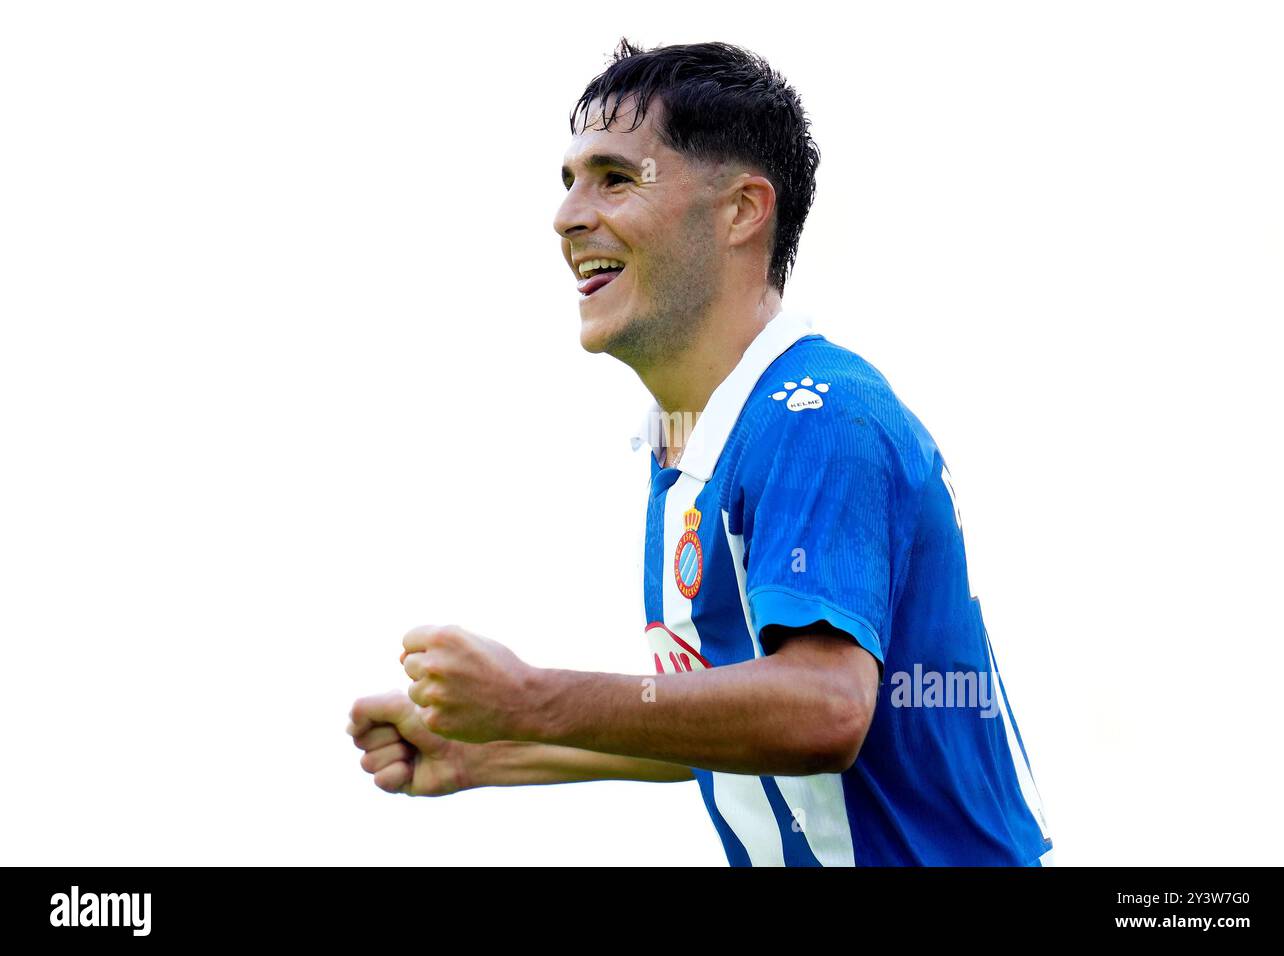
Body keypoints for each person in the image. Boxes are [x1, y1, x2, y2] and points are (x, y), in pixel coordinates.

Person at [346, 38, 1054, 866]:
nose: (568, 215)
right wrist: (496, 748)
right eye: (568, 182)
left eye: (614, 177)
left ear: (743, 210)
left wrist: (535, 698)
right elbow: (726, 719)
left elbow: (823, 710)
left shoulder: (818, 414)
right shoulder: (694, 442)